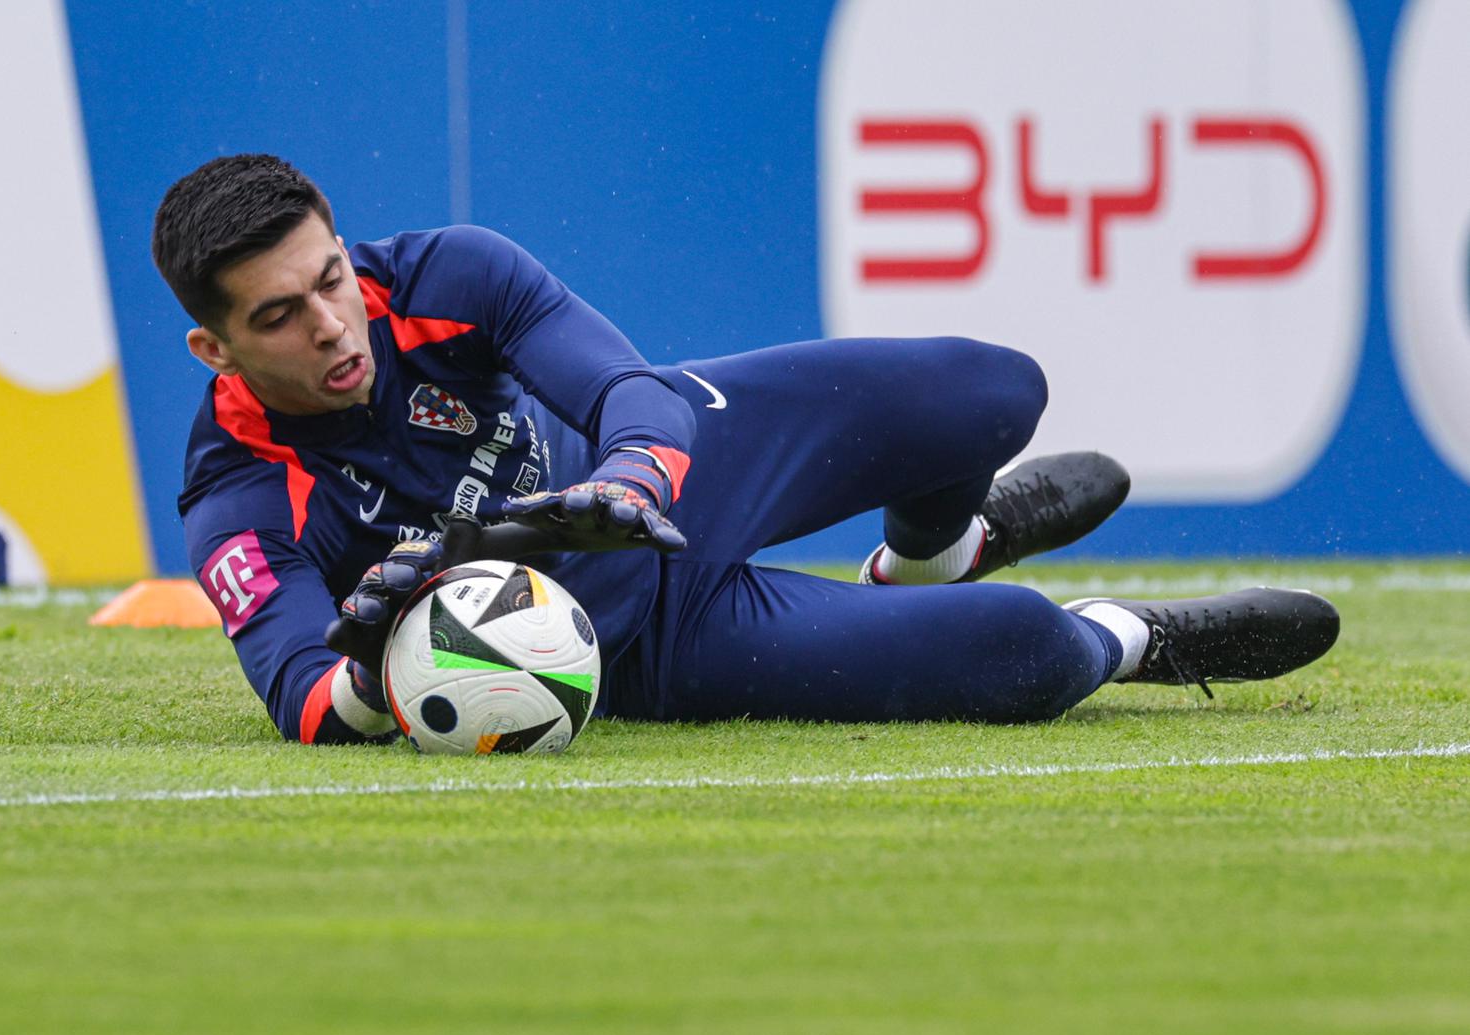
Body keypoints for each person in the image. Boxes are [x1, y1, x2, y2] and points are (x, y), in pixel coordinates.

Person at [154, 154, 1339, 745]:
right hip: (631, 640)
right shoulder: (235, 495)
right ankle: (1134, 637)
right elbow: (297, 690)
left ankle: (935, 552)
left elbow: (628, 391)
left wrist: (623, 480)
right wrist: (366, 676)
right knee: (1028, 654)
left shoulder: (439, 276)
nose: (329, 326)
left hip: (674, 482)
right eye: (279, 318)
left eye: (327, 281)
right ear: (215, 349)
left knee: (991, 389)